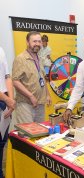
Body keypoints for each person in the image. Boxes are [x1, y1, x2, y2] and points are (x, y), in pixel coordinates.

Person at [12, 31, 51, 124]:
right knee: (28, 134)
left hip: (40, 103)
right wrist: (31, 96)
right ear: (27, 42)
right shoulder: (20, 59)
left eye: (39, 41)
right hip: (25, 104)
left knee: (40, 133)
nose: (37, 44)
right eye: (34, 41)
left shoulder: (40, 59)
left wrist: (48, 94)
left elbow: (42, 78)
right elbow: (15, 81)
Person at [0, 47, 15, 178]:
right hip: (3, 100)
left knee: (2, 143)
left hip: (5, 102)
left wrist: (11, 100)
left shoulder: (1, 50)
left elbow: (7, 76)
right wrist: (6, 99)